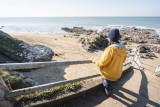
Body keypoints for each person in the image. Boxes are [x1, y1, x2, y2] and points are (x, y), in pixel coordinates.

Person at [91, 28, 127, 95]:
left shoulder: (110, 49)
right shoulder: (123, 48)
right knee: (111, 74)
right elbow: (123, 60)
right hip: (118, 73)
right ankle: (108, 84)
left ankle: (107, 90)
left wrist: (94, 61)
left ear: (110, 39)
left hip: (110, 74)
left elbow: (102, 62)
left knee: (106, 77)